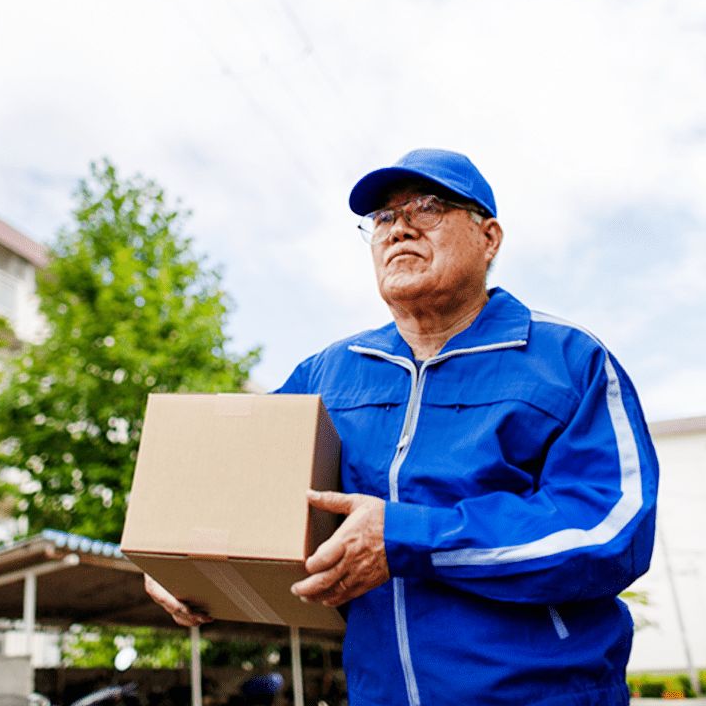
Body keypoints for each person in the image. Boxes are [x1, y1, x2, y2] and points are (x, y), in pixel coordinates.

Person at [146, 148, 659, 706]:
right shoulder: (328, 373)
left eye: (428, 208)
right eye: (384, 219)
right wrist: (177, 560)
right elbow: (234, 494)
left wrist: (408, 536)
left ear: (489, 238)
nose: (399, 229)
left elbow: (610, 530)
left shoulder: (567, 359)